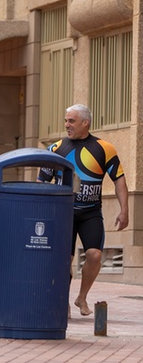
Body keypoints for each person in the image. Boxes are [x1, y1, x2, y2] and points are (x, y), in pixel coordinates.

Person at [37, 104, 128, 316]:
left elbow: (119, 180)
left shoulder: (104, 148)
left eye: (71, 121)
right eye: (66, 120)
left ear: (85, 123)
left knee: (95, 255)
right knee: (64, 259)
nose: (67, 125)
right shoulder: (56, 149)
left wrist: (125, 210)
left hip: (90, 212)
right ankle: (63, 301)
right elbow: (41, 182)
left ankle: (82, 297)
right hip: (63, 214)